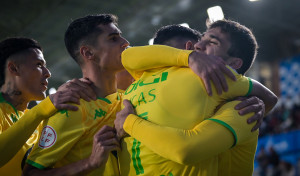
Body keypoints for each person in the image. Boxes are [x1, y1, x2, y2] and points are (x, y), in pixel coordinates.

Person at [114, 21, 277, 176]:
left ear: (234, 63)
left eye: (212, 42)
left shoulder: (226, 88)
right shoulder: (150, 73)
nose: (197, 46)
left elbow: (184, 151)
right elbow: (127, 56)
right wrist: (188, 57)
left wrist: (128, 122)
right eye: (202, 38)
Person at [22, 14, 129, 176]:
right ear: (88, 53)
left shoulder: (127, 99)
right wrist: (90, 162)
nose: (125, 42)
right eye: (113, 39)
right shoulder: (70, 107)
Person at [0, 37, 95, 175]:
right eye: (39, 65)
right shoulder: (38, 114)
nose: (47, 73)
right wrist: (44, 108)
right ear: (14, 68)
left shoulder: (37, 121)